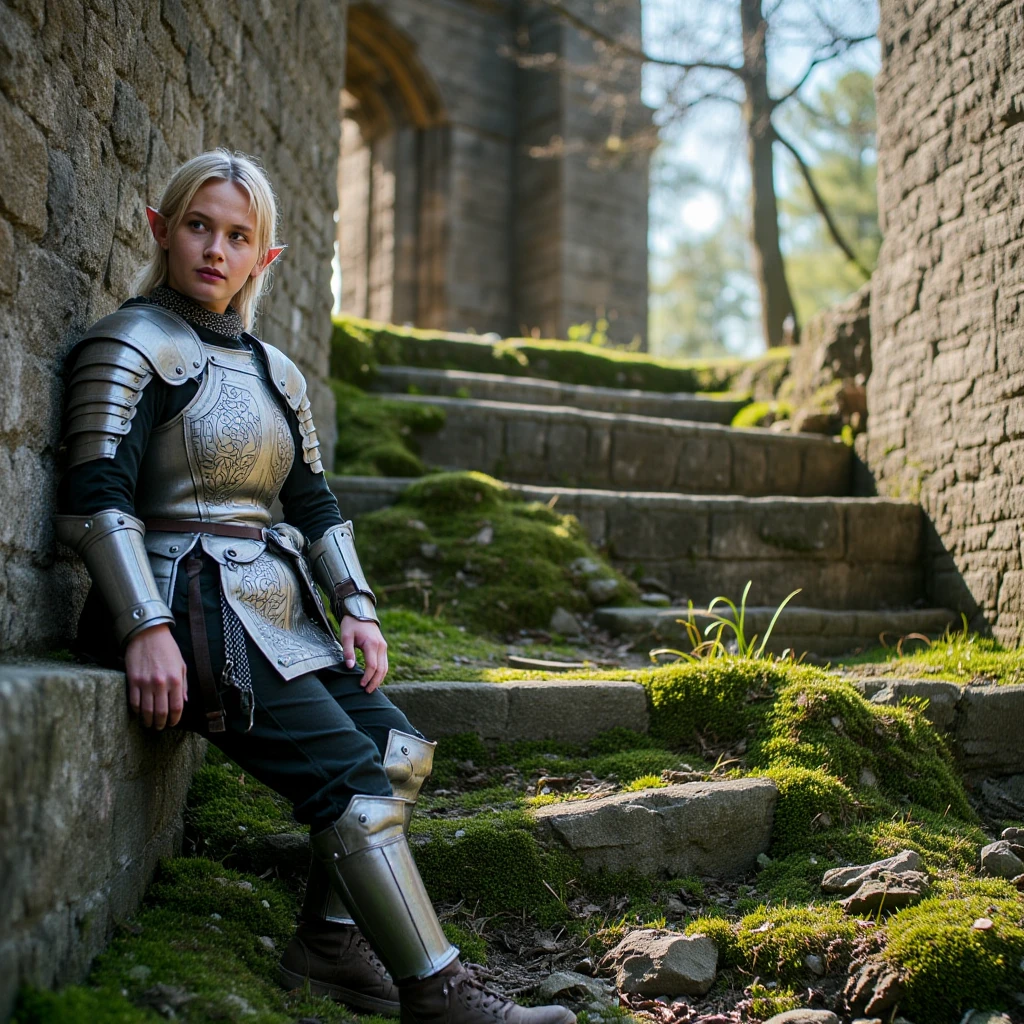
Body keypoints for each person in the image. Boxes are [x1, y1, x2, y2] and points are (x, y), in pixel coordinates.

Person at [55, 149, 574, 1024]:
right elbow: (92, 495)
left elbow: (314, 501)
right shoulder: (133, 344)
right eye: (197, 226)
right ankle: (440, 994)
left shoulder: (277, 372)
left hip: (273, 601)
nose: (214, 250)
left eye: (237, 236)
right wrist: (142, 623)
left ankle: (327, 946)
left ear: (267, 257)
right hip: (184, 603)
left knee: (398, 753)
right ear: (160, 229)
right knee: (352, 781)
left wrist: (359, 608)